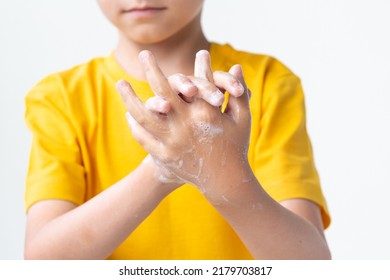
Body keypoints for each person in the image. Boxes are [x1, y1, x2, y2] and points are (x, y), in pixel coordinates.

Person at [24, 0, 331, 259]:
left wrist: (224, 177)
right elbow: (41, 262)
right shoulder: (59, 98)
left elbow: (309, 263)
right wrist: (161, 169)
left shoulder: (268, 84)